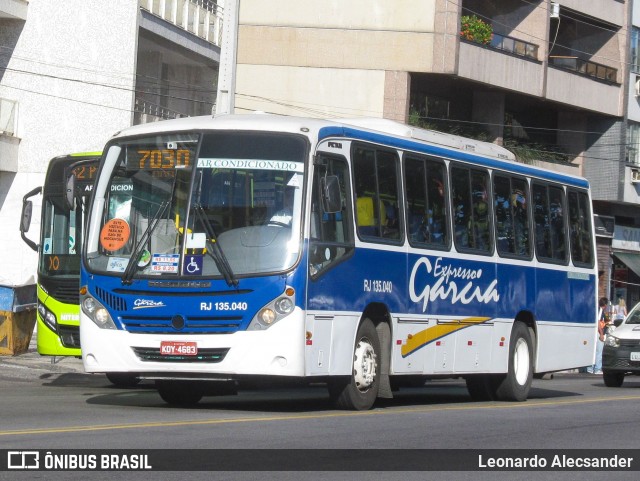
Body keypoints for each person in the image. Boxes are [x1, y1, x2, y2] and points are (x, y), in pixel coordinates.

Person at [587, 297, 609, 374]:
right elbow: (598, 322)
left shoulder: (596, 309)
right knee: (599, 351)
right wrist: (602, 334)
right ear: (605, 304)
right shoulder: (600, 310)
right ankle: (597, 369)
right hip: (598, 333)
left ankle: (590, 368)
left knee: (593, 350)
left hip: (592, 332)